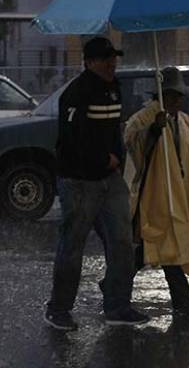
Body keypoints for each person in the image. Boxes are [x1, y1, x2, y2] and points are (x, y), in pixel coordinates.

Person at [44, 36, 149, 331]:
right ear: (89, 62)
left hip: (110, 180)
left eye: (114, 57)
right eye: (106, 59)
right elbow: (71, 139)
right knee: (72, 247)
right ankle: (59, 309)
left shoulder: (114, 89)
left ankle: (117, 305)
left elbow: (115, 129)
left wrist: (116, 156)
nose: (112, 63)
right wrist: (103, 159)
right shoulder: (75, 94)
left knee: (122, 243)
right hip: (78, 182)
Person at [123, 66, 189, 325]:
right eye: (175, 96)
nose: (179, 101)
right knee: (164, 249)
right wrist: (152, 132)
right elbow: (132, 150)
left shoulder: (186, 122)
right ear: (162, 95)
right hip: (155, 199)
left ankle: (114, 284)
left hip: (179, 197)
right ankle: (185, 306)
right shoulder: (142, 120)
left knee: (158, 248)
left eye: (181, 96)